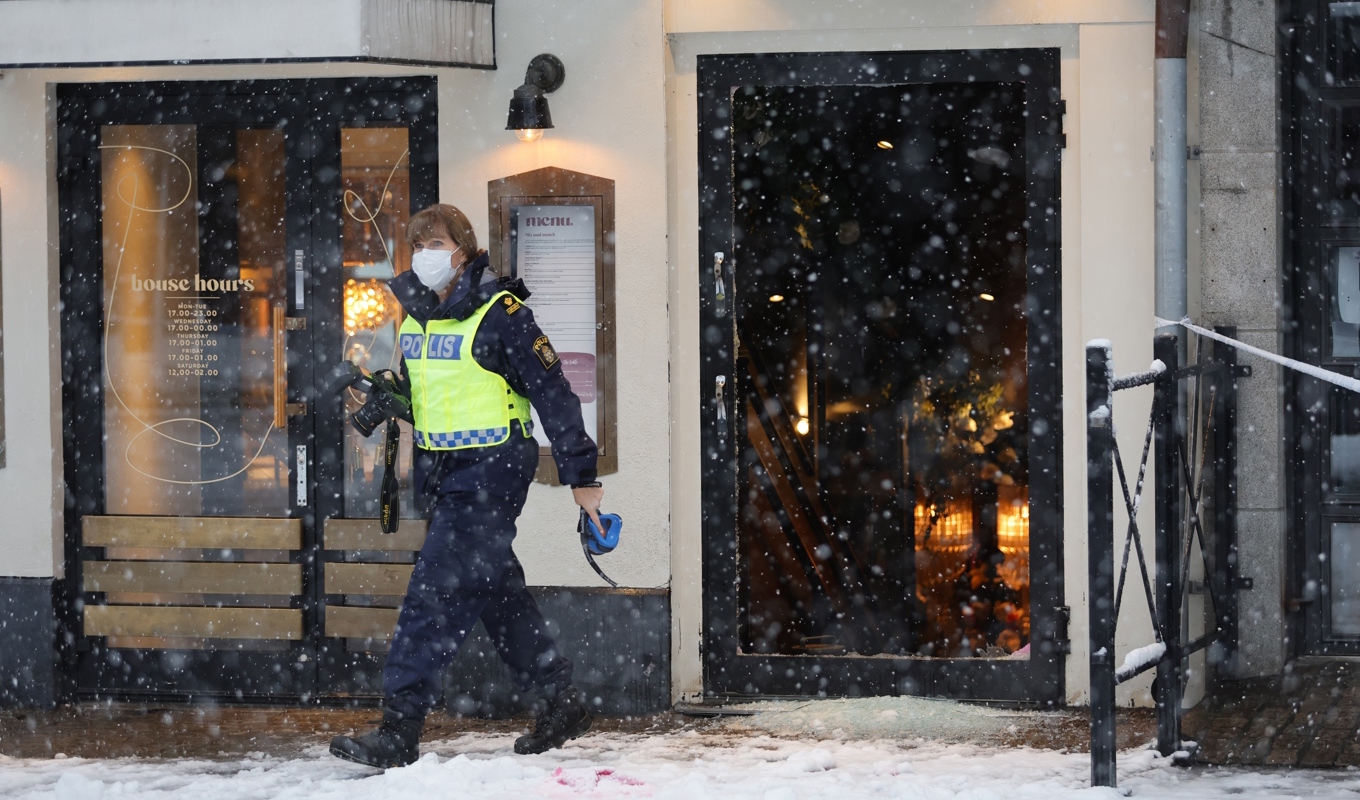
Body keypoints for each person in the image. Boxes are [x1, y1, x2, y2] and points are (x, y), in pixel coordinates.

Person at [330, 203, 604, 768]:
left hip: (492, 471)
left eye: (435, 244)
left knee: (433, 594)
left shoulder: (502, 314)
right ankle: (559, 697)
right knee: (496, 592)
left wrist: (582, 476)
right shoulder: (414, 317)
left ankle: (399, 728)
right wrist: (393, 401)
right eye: (417, 245)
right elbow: (433, 396)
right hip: (443, 475)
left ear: (463, 249)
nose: (424, 256)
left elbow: (554, 393)